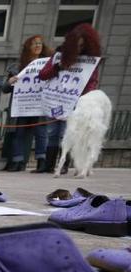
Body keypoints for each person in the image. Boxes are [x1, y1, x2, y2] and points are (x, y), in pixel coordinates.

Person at [39, 23, 101, 175]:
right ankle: (48, 164)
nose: (79, 49)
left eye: (82, 46)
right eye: (77, 46)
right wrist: (59, 66)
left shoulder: (90, 60)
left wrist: (85, 98)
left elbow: (92, 81)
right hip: (57, 99)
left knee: (67, 133)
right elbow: (43, 74)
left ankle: (63, 164)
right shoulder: (59, 55)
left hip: (76, 101)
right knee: (52, 133)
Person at [2, 35, 53, 173]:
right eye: (34, 44)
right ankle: (17, 162)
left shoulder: (48, 65)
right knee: (19, 133)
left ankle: (41, 162)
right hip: (22, 106)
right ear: (28, 47)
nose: (38, 46)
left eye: (40, 43)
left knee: (41, 133)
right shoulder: (18, 67)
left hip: (39, 105)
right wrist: (10, 81)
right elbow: (4, 89)